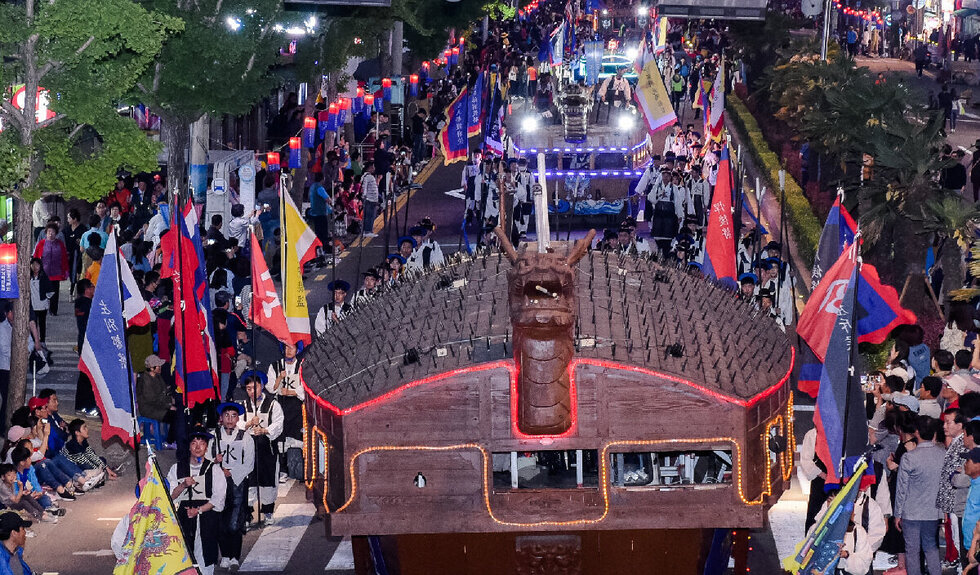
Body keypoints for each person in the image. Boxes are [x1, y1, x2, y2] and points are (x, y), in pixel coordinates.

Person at [167, 426, 226, 575]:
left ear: (206, 447)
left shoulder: (214, 469)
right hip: (183, 517)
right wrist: (183, 485)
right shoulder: (177, 468)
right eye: (194, 443)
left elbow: (218, 498)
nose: (198, 447)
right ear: (189, 446)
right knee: (183, 555)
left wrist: (199, 510)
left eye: (202, 443)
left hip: (206, 517)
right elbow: (170, 496)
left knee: (205, 556)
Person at [894, 416, 946, 575]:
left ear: (916, 432)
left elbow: (901, 488)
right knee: (931, 547)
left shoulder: (909, 457)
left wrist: (897, 514)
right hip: (932, 511)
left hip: (911, 511)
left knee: (912, 550)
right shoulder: (943, 454)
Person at [211, 402, 254, 570]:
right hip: (218, 482)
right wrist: (216, 463)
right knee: (220, 518)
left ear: (238, 418)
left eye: (233, 416)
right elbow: (206, 460)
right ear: (221, 418)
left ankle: (235, 555)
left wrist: (233, 473)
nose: (230, 419)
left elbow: (249, 463)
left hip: (237, 482)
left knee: (235, 520)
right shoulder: (214, 436)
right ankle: (225, 555)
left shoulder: (245, 436)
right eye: (226, 415)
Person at [240, 373, 283, 526]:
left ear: (262, 386)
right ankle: (247, 513)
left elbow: (278, 424)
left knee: (268, 480)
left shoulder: (273, 404)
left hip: (266, 448)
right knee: (249, 481)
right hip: (248, 448)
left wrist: (264, 430)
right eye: (248, 388)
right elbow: (238, 424)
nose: (252, 391)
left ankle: (268, 511)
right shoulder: (243, 406)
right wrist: (249, 423)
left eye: (255, 387)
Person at [267, 343, 303, 484]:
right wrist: (279, 379)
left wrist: (292, 392)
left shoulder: (302, 366)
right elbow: (271, 388)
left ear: (297, 350)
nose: (289, 351)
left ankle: (302, 471)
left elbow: (306, 386)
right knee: (281, 438)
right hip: (280, 405)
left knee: (299, 437)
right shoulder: (274, 366)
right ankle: (282, 470)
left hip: (297, 405)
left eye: (292, 348)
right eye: (286, 348)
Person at [135, 355, 175, 445]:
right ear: (152, 368)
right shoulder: (145, 380)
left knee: (179, 413)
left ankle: (172, 438)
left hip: (158, 405)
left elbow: (162, 393)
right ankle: (171, 440)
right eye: (158, 366)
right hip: (149, 409)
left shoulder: (157, 376)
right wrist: (169, 406)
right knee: (175, 417)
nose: (160, 367)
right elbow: (152, 399)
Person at [31, 223, 68, 317]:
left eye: (53, 232)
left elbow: (64, 258)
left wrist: (65, 270)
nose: (51, 234)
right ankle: (42, 308)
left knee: (55, 292)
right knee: (43, 291)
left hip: (56, 272)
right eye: (49, 232)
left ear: (56, 233)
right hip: (44, 271)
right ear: (46, 233)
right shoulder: (41, 243)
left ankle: (53, 310)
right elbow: (36, 257)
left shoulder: (60, 244)